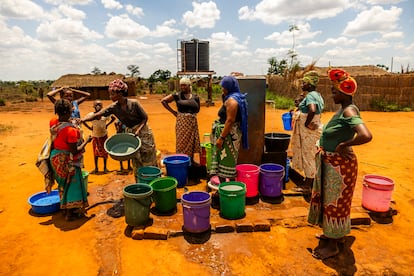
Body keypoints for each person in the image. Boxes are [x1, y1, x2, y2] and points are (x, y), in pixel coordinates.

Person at [308, 68, 372, 260]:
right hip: (332, 163)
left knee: (336, 203)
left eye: (334, 91)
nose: (332, 94)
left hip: (340, 166)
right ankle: (331, 234)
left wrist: (345, 144)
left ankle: (334, 245)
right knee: (329, 201)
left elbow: (366, 135)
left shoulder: (349, 110)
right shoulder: (342, 110)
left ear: (344, 93)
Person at [81, 79, 157, 180]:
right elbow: (97, 115)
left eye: (112, 94)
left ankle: (152, 179)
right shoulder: (113, 107)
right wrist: (82, 120)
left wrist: (138, 130)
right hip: (131, 133)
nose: (110, 96)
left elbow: (145, 118)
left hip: (143, 131)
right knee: (136, 158)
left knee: (148, 155)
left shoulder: (134, 103)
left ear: (120, 93)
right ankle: (141, 181)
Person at [49, 99, 92, 221]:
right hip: (67, 160)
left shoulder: (54, 123)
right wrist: (87, 142)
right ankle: (69, 213)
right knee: (71, 185)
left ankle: (64, 209)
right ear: (69, 112)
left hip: (55, 158)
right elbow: (75, 150)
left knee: (62, 185)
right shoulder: (71, 130)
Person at [210, 76, 248, 184]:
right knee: (230, 161)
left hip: (227, 135)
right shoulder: (237, 97)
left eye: (224, 88)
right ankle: (230, 186)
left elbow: (230, 120)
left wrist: (221, 138)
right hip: (231, 134)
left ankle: (224, 187)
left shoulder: (232, 101)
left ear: (229, 87)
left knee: (224, 161)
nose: (222, 90)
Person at [291, 71, 324, 192]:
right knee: (311, 154)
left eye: (304, 83)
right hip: (315, 127)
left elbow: (312, 109)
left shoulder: (311, 96)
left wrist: (306, 123)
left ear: (309, 85)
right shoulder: (317, 95)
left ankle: (308, 185)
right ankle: (311, 180)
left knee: (308, 155)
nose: (302, 85)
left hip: (308, 131)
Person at [161, 77, 201, 165]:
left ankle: (191, 160)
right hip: (182, 123)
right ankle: (182, 161)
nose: (182, 87)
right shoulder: (177, 95)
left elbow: (197, 110)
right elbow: (163, 101)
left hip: (192, 123)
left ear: (189, 85)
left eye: (184, 85)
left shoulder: (195, 97)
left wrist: (191, 115)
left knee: (192, 142)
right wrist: (173, 112)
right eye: (181, 85)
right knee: (182, 142)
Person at [82, 100, 115, 174]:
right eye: (96, 105)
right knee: (95, 153)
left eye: (99, 105)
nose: (98, 106)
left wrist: (107, 124)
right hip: (95, 136)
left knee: (105, 152)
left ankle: (105, 168)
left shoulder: (105, 115)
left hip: (103, 136)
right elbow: (83, 120)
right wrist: (89, 128)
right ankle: (96, 168)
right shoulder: (90, 115)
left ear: (102, 106)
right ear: (93, 106)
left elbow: (113, 118)